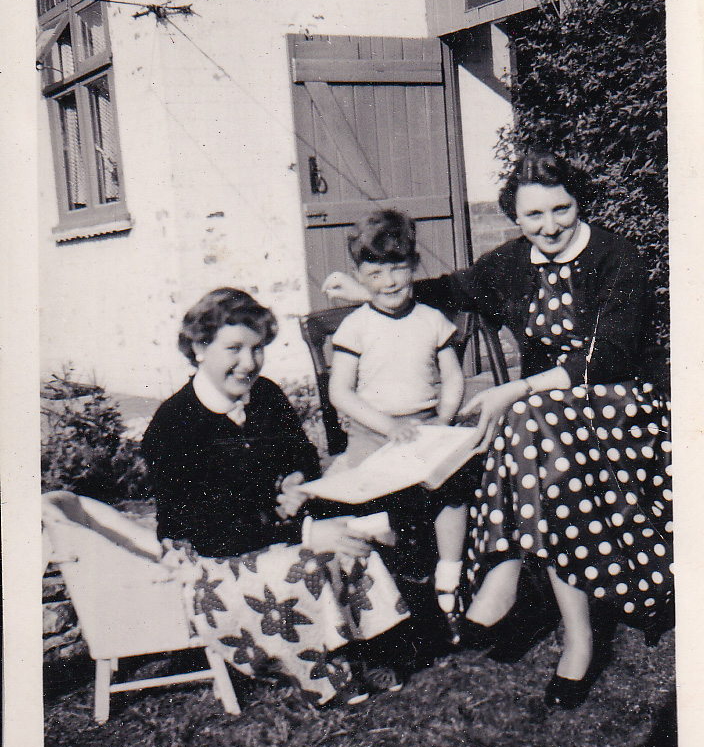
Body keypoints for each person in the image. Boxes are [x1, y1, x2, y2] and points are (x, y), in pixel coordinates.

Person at [323, 150, 673, 708]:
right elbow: (443, 291)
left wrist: (514, 388)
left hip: (625, 403)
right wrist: (372, 293)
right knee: (530, 426)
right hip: (547, 421)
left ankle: (513, 576)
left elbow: (611, 355)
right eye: (534, 215)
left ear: (579, 204)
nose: (550, 225)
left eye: (561, 209)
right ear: (515, 216)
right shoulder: (511, 263)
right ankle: (540, 600)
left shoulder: (614, 256)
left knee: (523, 418)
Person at [142, 288, 409, 707]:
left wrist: (296, 479)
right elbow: (212, 529)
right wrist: (305, 530)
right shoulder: (173, 425)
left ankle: (362, 649)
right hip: (211, 557)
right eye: (234, 349)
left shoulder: (265, 395)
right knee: (302, 563)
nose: (248, 363)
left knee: (351, 535)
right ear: (199, 348)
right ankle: (325, 674)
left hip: (268, 529)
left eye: (257, 349)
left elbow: (301, 454)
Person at [327, 209, 471, 646]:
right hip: (375, 434)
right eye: (375, 273)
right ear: (359, 274)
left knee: (452, 485)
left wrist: (443, 421)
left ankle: (449, 575)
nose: (389, 282)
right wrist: (387, 426)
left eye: (399, 269)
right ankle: (399, 590)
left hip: (427, 425)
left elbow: (452, 377)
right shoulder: (356, 327)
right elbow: (341, 392)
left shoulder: (430, 320)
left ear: (414, 266)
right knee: (380, 506)